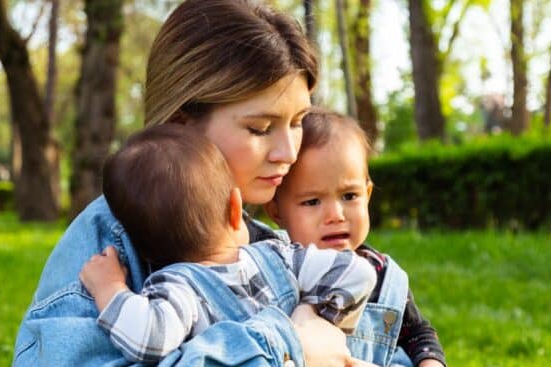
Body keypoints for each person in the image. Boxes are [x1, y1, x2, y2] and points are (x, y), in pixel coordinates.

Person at [13, 1, 377, 366]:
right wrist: (290, 343)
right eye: (260, 129)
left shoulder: (270, 247)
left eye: (298, 121)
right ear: (180, 123)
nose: (287, 152)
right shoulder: (107, 248)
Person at [79, 124, 377, 363]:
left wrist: (110, 289)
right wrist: (315, 318)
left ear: (140, 249)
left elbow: (148, 338)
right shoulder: (280, 256)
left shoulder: (179, 291)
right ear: (236, 208)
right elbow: (359, 274)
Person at [264, 109, 447, 367]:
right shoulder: (275, 272)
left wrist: (430, 362)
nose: (336, 215)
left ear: (368, 194)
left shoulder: (383, 276)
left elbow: (418, 334)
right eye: (312, 201)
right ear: (276, 212)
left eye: (349, 196)